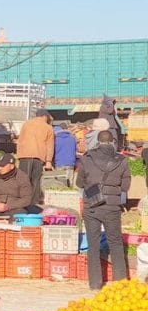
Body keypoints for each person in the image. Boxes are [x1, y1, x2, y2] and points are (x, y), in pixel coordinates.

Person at [77, 131, 130, 290]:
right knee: (115, 243)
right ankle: (119, 284)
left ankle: (95, 284)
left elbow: (79, 183)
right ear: (113, 142)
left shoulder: (87, 158)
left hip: (91, 205)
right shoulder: (121, 160)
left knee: (93, 244)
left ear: (97, 142)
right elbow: (125, 186)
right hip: (112, 206)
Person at [16, 110, 54, 204]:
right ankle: (33, 203)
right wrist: (48, 161)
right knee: (35, 182)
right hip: (38, 157)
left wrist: (19, 156)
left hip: (24, 156)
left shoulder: (26, 124)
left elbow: (20, 141)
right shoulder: (48, 127)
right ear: (45, 116)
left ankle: (22, 201)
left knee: (23, 181)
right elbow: (50, 145)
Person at [53, 122, 79, 187]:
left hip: (59, 162)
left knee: (59, 184)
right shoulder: (73, 138)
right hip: (70, 163)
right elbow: (76, 149)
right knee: (69, 183)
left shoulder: (55, 138)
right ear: (67, 128)